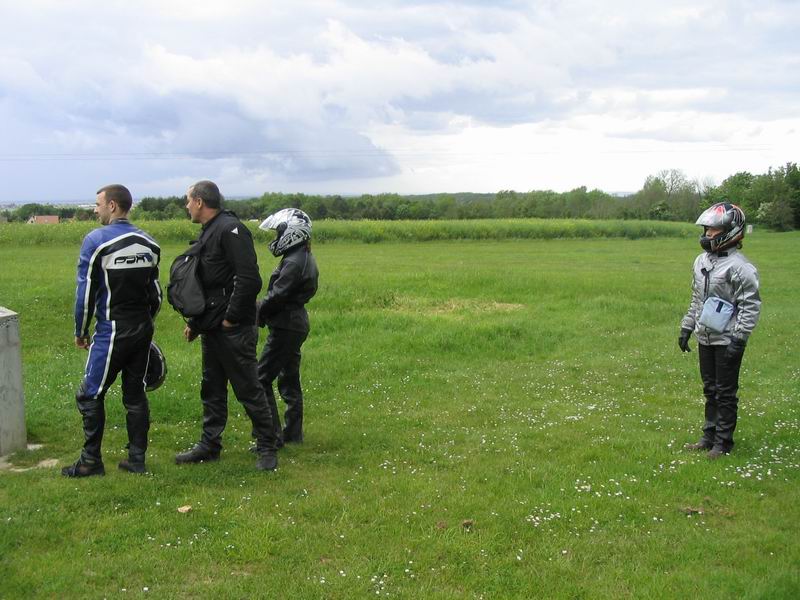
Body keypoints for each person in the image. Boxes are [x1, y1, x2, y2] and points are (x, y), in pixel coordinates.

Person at [175, 180, 278, 471]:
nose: (186, 206)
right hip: (212, 326)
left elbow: (249, 279)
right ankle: (209, 445)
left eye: (188, 200)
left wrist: (231, 319)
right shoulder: (210, 230)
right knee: (212, 388)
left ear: (199, 201)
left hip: (234, 328)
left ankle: (267, 447)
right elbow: (208, 285)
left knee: (248, 387)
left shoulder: (231, 229)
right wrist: (196, 323)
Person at [63, 184, 161, 477]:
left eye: (98, 204)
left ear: (113, 206)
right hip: (142, 328)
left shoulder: (96, 240)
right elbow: (155, 294)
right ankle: (137, 460)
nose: (96, 210)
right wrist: (146, 323)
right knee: (135, 394)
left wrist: (81, 330)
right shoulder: (150, 243)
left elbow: (85, 292)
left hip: (112, 330)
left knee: (89, 395)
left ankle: (90, 462)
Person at [679, 202, 761, 459]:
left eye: (713, 229)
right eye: (706, 229)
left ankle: (723, 443)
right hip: (705, 336)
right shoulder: (701, 261)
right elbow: (697, 299)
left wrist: (740, 338)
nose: (707, 234)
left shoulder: (740, 267)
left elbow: (749, 305)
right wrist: (687, 326)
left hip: (727, 339)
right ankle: (708, 436)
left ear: (730, 231)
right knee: (710, 389)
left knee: (725, 392)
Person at [256, 209, 319, 447]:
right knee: (289, 379)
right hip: (293, 323)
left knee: (260, 378)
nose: (277, 236)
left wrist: (257, 311)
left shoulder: (294, 261)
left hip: (287, 325)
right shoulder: (301, 255)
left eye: (280, 232)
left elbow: (278, 295)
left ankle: (271, 436)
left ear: (292, 232)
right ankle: (292, 433)